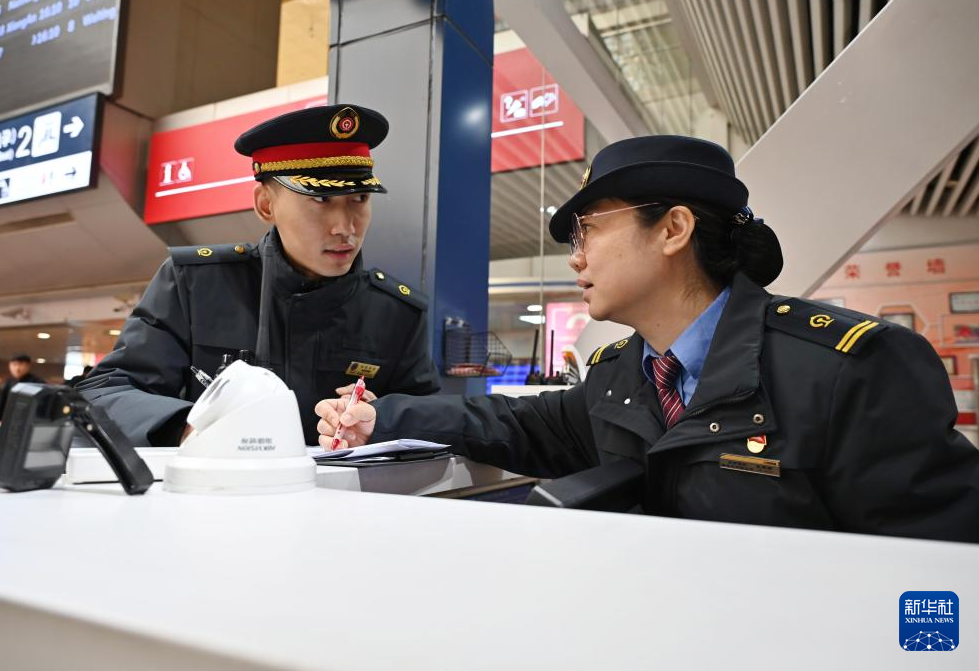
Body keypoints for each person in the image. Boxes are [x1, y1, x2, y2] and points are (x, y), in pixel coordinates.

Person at [315, 135, 979, 542]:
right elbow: (513, 423)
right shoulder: (621, 377)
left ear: (673, 230)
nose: (577, 257)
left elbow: (944, 572)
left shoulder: (849, 371)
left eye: (588, 230)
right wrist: (381, 416)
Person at [80, 105, 440, 446]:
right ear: (266, 205)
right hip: (218, 488)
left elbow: (435, 420)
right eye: (321, 200)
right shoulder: (195, 285)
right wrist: (189, 427)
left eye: (359, 199)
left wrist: (381, 421)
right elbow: (105, 391)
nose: (345, 227)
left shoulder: (396, 313)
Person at [0, 355, 44, 451]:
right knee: (0, 450)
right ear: (9, 365)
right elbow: (0, 402)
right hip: (4, 423)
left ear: (28, 366)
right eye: (14, 364)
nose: (17, 368)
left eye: (21, 364)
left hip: (24, 426)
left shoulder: (37, 382)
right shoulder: (8, 381)